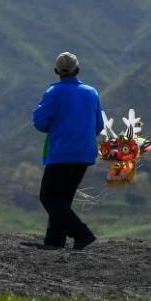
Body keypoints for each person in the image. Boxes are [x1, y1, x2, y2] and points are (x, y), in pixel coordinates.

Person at [32, 52, 103, 250]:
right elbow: (99, 125)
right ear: (77, 70)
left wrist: (53, 127)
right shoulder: (92, 92)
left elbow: (39, 121)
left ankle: (82, 233)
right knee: (64, 198)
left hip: (61, 151)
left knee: (49, 196)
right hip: (85, 152)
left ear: (56, 72)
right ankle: (54, 240)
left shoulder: (53, 92)